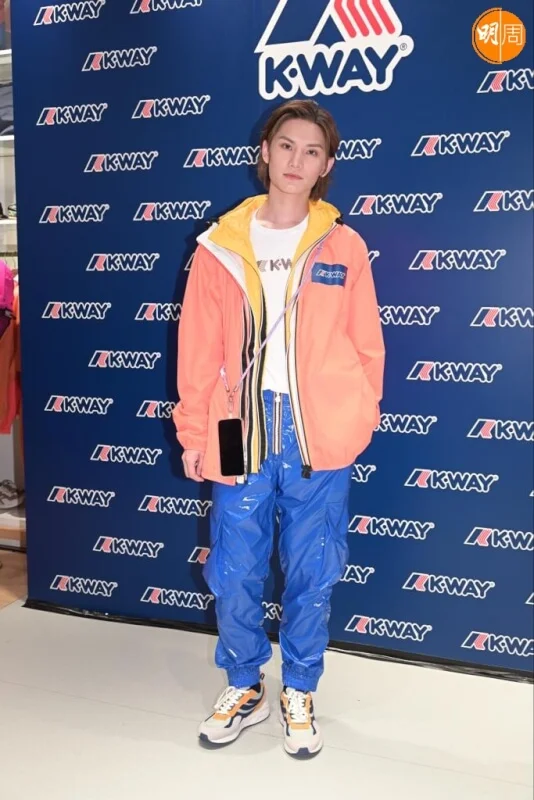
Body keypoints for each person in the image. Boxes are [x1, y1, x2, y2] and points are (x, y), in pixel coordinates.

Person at [173, 99, 385, 759]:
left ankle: (299, 687)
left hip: (317, 431)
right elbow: (196, 350)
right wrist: (195, 432)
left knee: (313, 569)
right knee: (233, 567)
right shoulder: (219, 246)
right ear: (264, 152)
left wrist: (356, 416)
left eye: (312, 151)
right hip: (239, 426)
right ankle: (245, 683)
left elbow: (367, 345)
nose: (297, 160)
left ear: (326, 166)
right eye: (286, 145)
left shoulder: (344, 246)